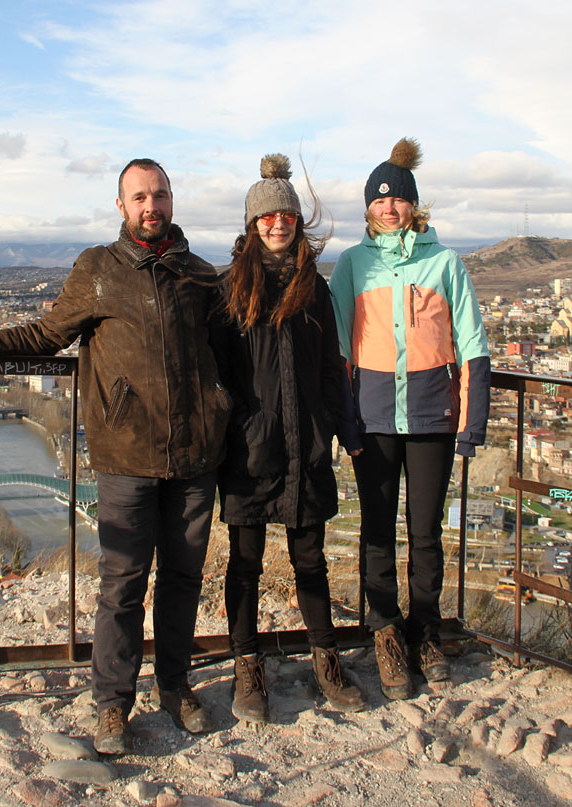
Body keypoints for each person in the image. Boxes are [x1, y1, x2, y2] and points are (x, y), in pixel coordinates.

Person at [0, 159, 231, 755]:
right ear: (121, 206)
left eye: (159, 195)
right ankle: (112, 704)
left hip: (194, 453)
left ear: (172, 200)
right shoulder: (98, 269)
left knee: (184, 578)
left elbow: (227, 353)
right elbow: (46, 333)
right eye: (139, 197)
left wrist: (223, 407)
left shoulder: (199, 275)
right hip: (124, 450)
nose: (151, 206)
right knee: (123, 583)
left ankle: (175, 685)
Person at [329, 138, 491, 700]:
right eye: (378, 201)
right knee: (376, 531)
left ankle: (425, 631)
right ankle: (384, 632)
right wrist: (344, 420)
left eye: (396, 199)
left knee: (426, 534)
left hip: (430, 417)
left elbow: (471, 343)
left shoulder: (445, 263)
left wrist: (471, 423)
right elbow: (338, 349)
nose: (387, 208)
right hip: (373, 418)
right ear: (367, 210)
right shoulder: (352, 264)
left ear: (414, 205)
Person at [215, 155, 366, 723]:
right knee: (245, 562)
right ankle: (246, 666)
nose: (278, 223)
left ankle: (325, 658)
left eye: (287, 214)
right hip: (250, 450)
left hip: (305, 446)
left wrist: (327, 423)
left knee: (311, 559)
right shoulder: (230, 288)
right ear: (252, 224)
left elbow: (331, 368)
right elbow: (221, 371)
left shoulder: (316, 290)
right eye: (267, 215)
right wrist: (239, 427)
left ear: (298, 222)